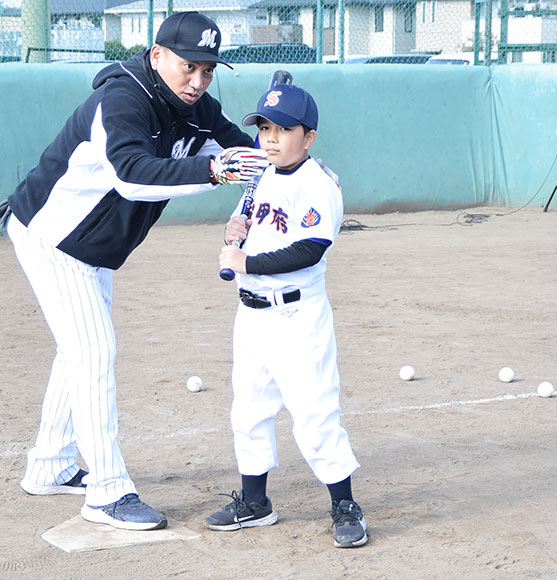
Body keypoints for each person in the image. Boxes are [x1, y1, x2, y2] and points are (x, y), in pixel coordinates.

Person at [0, 11, 267, 531]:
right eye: (188, 66)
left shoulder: (198, 107)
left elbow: (241, 149)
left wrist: (287, 161)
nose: (198, 80)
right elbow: (132, 177)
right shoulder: (120, 100)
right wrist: (215, 171)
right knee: (94, 349)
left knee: (79, 351)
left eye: (209, 70)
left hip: (91, 247)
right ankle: (106, 492)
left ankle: (49, 464)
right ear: (158, 54)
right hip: (51, 236)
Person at [210, 84, 367, 548]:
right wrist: (234, 229)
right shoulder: (261, 175)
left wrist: (245, 263)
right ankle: (255, 503)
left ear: (309, 136)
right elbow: (248, 224)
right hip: (252, 315)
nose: (271, 138)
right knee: (249, 409)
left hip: (297, 314)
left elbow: (308, 250)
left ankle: (344, 504)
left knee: (315, 413)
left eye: (283, 129)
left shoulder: (318, 183)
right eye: (264, 128)